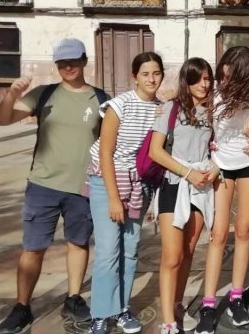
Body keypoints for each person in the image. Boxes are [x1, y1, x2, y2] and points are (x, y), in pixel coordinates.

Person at [0, 38, 106, 334]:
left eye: (73, 61)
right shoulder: (43, 94)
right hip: (43, 184)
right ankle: (22, 307)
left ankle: (73, 298)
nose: (68, 67)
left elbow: (111, 141)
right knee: (33, 247)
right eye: (62, 62)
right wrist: (11, 95)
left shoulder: (100, 99)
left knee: (78, 243)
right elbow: (2, 120)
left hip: (83, 186)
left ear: (84, 61)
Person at [194, 46, 249, 332]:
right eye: (222, 76)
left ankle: (237, 298)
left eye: (230, 77)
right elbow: (201, 125)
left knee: (244, 230)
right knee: (218, 233)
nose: (224, 81)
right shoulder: (215, 95)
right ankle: (208, 304)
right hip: (221, 167)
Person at [86, 52, 165, 334]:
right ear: (135, 77)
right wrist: (113, 198)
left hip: (138, 185)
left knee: (130, 250)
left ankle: (121, 308)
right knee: (108, 251)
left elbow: (157, 154)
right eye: (145, 74)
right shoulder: (119, 106)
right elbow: (105, 153)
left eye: (156, 73)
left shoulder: (162, 109)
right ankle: (99, 314)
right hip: (107, 180)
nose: (151, 79)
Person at [148, 58, 216, 334]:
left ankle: (177, 305)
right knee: (172, 255)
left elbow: (218, 147)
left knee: (188, 251)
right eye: (197, 79)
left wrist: (212, 169)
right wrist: (188, 173)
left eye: (207, 78)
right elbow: (155, 151)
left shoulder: (213, 111)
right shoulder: (171, 108)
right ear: (186, 82)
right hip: (175, 184)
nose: (203, 84)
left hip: (201, 187)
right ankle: (167, 322)